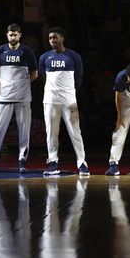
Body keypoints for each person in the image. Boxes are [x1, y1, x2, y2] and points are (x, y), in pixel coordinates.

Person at [0, 23, 38, 173]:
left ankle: (22, 162)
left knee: (24, 131)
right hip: (4, 97)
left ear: (20, 35)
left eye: (15, 34)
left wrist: (22, 84)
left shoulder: (27, 52)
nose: (13, 37)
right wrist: (3, 83)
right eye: (10, 34)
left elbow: (35, 73)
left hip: (23, 98)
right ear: (7, 35)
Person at [39, 27, 89, 176]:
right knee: (51, 133)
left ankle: (82, 163)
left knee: (75, 132)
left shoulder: (73, 56)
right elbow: (43, 77)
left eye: (55, 37)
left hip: (68, 100)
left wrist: (70, 93)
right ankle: (53, 162)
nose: (52, 41)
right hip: (50, 100)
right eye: (50, 38)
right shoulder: (44, 57)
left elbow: (78, 78)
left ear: (62, 38)